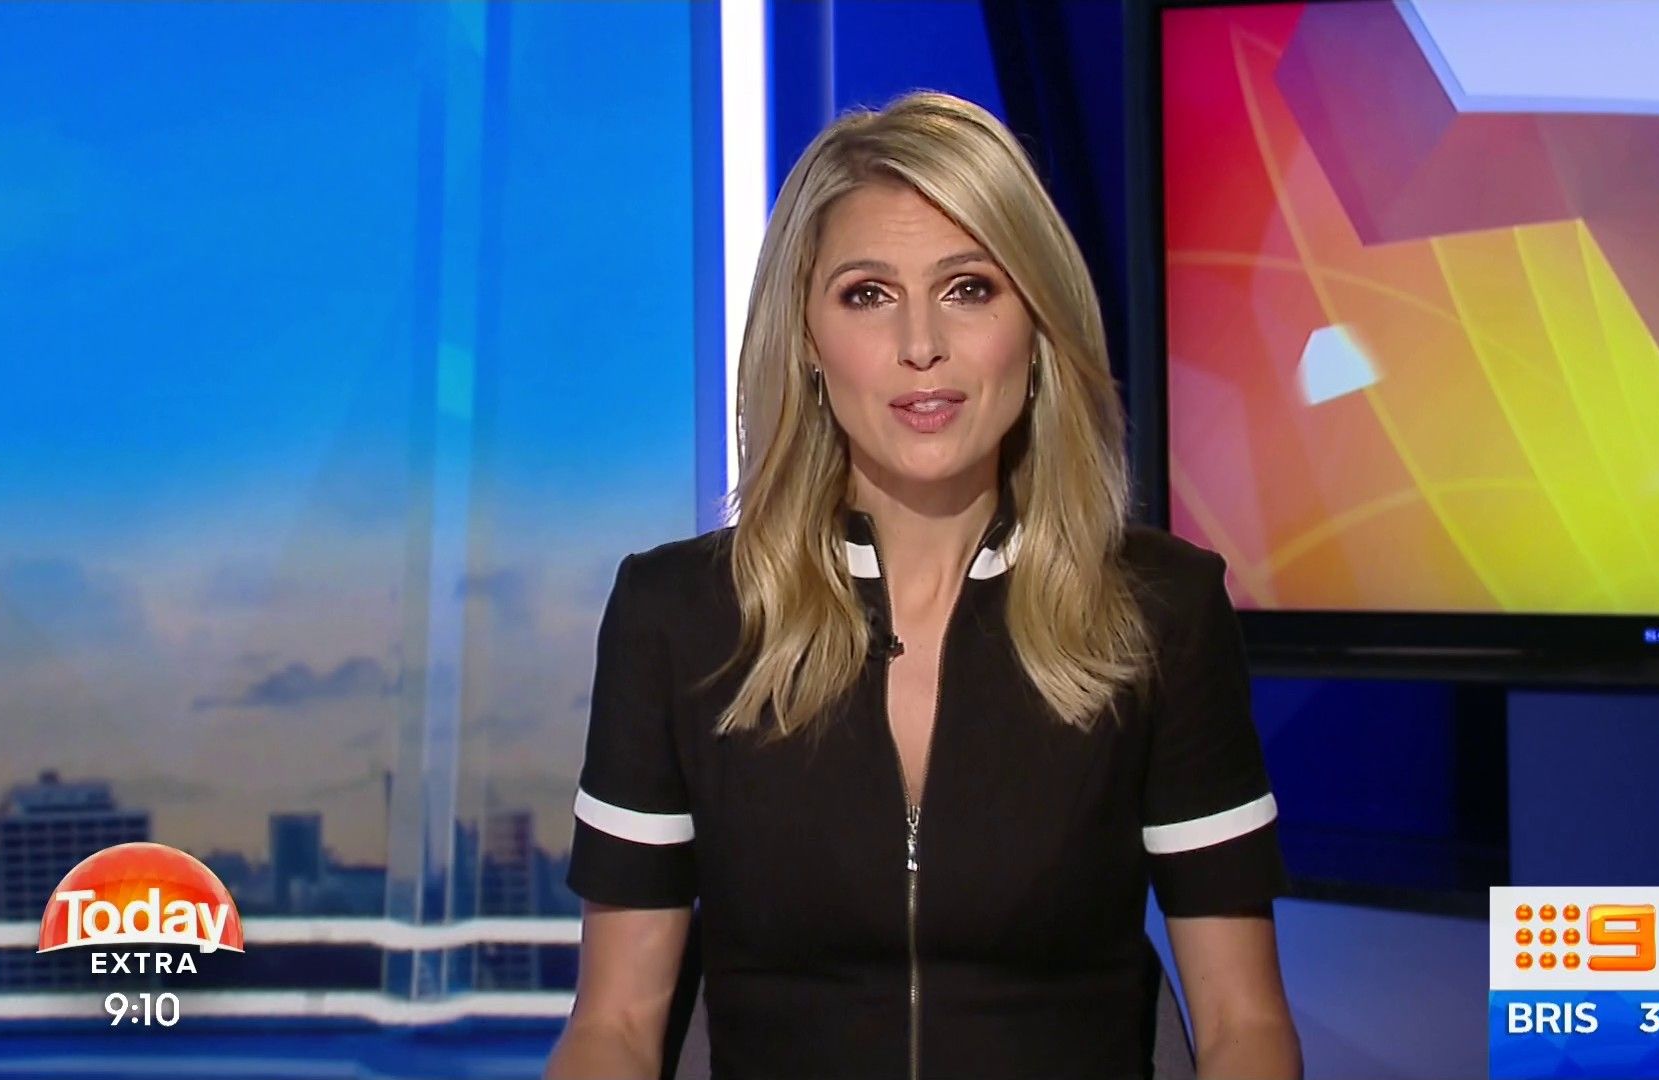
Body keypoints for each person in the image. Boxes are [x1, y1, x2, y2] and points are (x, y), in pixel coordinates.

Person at [545, 91, 1299, 1080]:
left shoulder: (1162, 613)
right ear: (807, 342)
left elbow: (1243, 1025)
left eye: (969, 288)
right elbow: (614, 1027)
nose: (920, 344)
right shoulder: (679, 619)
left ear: (1037, 325)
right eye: (867, 294)